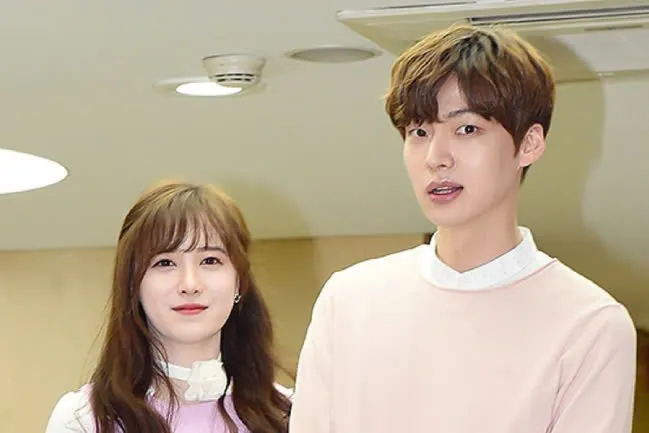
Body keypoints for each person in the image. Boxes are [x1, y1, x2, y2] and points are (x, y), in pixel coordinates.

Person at [289, 23, 637, 433]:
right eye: (419, 132)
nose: (436, 157)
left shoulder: (589, 325)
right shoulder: (348, 301)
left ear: (529, 143)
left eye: (467, 129)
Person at [45, 181, 292, 433]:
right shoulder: (82, 420)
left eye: (210, 260)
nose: (190, 284)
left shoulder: (290, 415)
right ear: (132, 284)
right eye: (164, 263)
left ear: (239, 281)